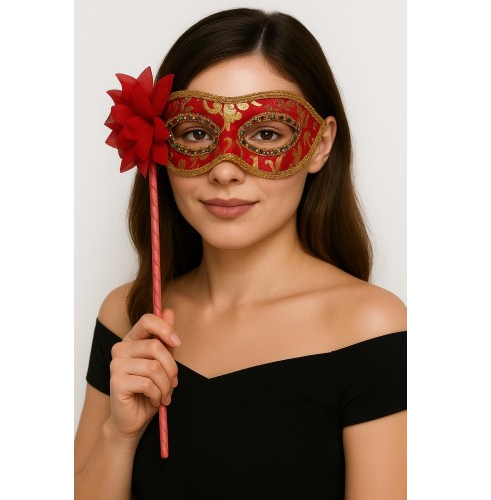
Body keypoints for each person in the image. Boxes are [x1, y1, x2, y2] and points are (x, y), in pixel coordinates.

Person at [74, 8, 406, 499]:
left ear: (319, 144)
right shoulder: (130, 317)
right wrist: (118, 437)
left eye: (266, 134)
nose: (225, 170)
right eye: (196, 133)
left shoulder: (369, 326)